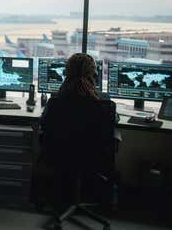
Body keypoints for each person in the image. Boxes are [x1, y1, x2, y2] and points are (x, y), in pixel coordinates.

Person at [39, 53, 119, 212]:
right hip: (94, 157)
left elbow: (44, 124)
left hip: (59, 155)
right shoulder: (105, 104)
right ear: (94, 75)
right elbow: (113, 122)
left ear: (66, 73)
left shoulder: (55, 102)